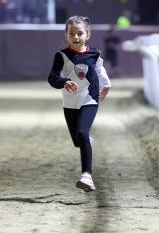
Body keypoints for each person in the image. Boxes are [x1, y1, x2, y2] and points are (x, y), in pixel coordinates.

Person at [48, 16, 111, 192]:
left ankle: (87, 176)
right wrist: (64, 82)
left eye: (80, 33)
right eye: (72, 34)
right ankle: (85, 142)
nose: (76, 37)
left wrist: (106, 84)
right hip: (70, 103)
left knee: (83, 132)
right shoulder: (61, 56)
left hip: (89, 99)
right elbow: (52, 78)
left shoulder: (95, 53)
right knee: (78, 141)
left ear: (88, 34)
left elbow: (99, 69)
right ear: (66, 36)